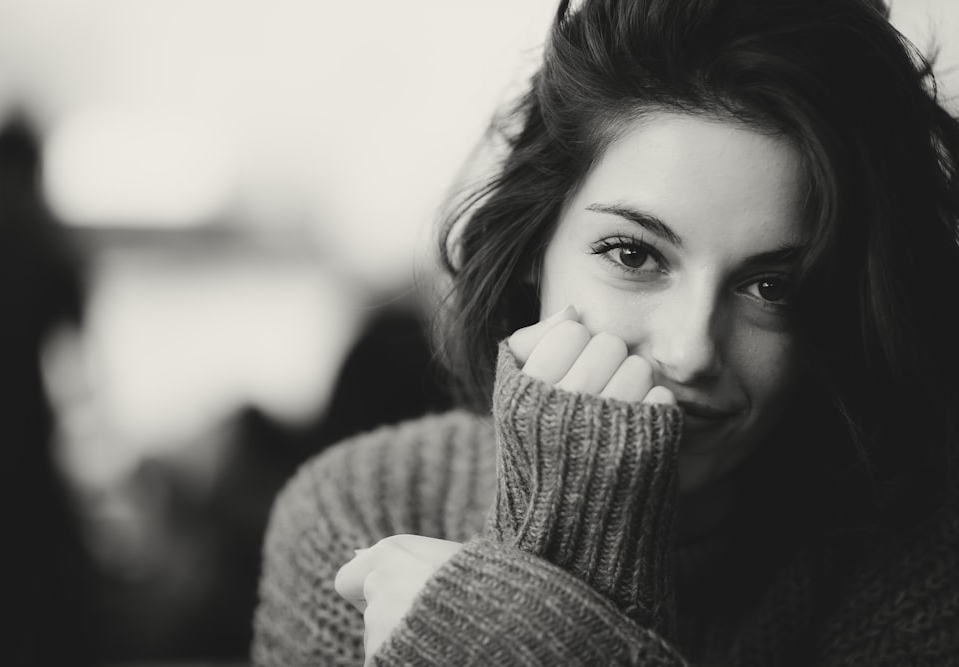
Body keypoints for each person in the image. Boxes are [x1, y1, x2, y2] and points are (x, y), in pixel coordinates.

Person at [252, 0, 959, 664]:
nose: (690, 351)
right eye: (634, 255)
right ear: (535, 242)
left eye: (772, 287)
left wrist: (534, 635)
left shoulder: (921, 556)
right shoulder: (359, 510)